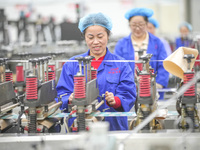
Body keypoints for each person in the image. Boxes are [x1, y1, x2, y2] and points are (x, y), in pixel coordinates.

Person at [56, 12, 136, 131]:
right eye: (90, 37)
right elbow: (61, 93)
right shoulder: (72, 64)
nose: (96, 42)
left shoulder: (121, 64)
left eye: (100, 36)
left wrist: (116, 101)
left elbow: (128, 94)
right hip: (79, 126)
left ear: (108, 36)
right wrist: (69, 98)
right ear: (85, 38)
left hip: (113, 127)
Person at [114, 7, 169, 100]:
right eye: (134, 25)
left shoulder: (157, 42)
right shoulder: (121, 44)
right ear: (129, 25)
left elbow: (164, 65)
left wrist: (159, 84)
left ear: (147, 24)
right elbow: (116, 67)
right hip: (129, 91)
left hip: (153, 91)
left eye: (141, 24)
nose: (137, 28)